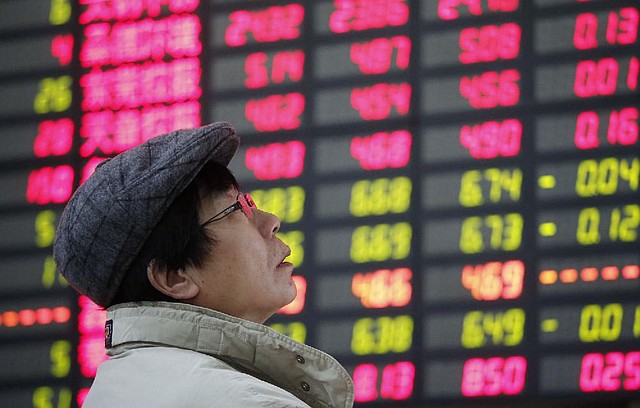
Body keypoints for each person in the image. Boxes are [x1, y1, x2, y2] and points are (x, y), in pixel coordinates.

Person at [53, 122, 354, 408]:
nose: (272, 221)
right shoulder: (246, 401)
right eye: (237, 209)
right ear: (174, 277)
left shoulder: (110, 392)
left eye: (248, 202)